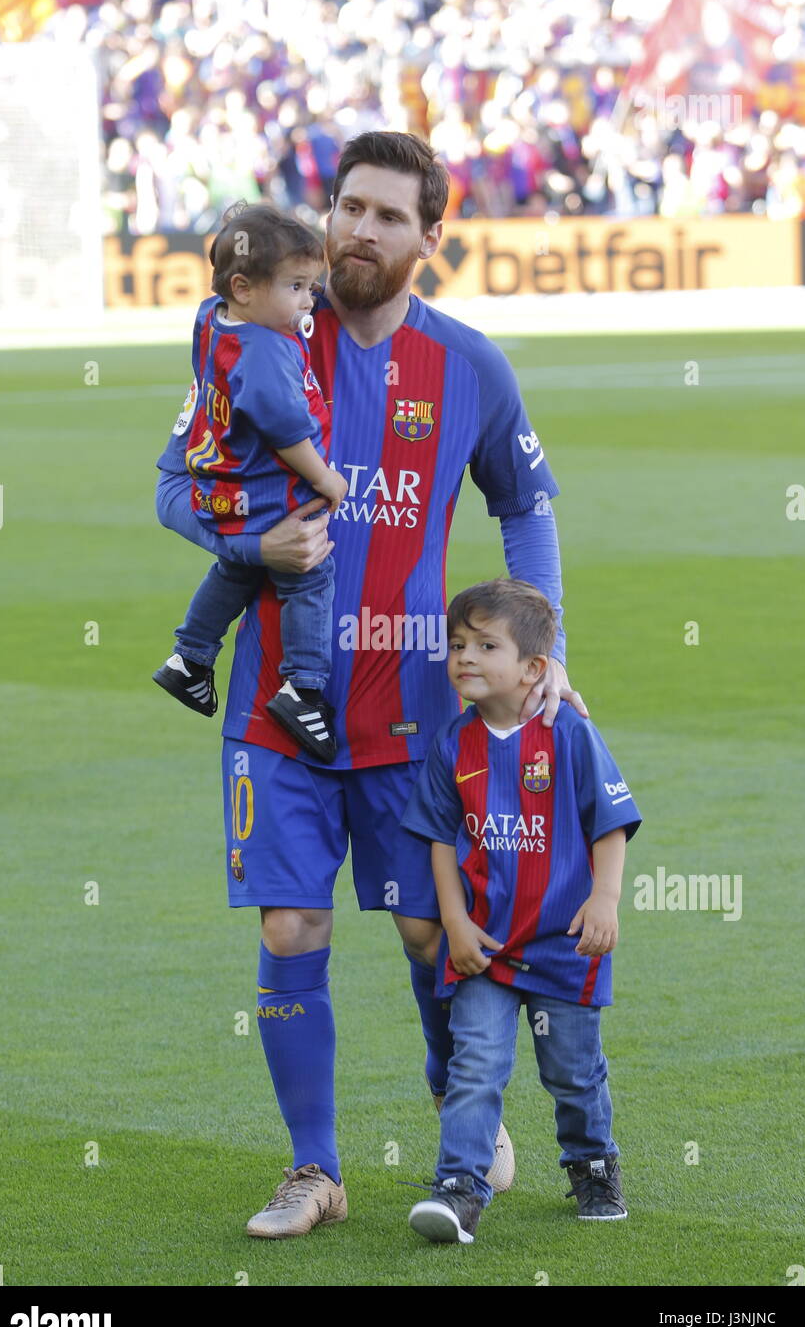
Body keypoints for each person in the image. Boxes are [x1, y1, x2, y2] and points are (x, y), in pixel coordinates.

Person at [155, 131, 589, 1238]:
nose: (360, 230)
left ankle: (461, 1108)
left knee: (427, 936)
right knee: (292, 928)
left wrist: (541, 648)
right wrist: (257, 549)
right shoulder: (258, 345)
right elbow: (174, 490)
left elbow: (525, 506)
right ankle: (314, 1169)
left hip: (420, 716)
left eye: (390, 216)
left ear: (429, 240)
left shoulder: (469, 367)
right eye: (350, 207)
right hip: (275, 706)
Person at [402, 580, 642, 1243]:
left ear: (536, 666)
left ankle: (592, 1162)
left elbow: (610, 823)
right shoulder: (453, 745)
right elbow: (440, 844)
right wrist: (453, 921)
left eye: (485, 645)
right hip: (487, 949)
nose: (465, 658)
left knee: (571, 1070)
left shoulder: (569, 733)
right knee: (473, 1065)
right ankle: (459, 1189)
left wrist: (605, 898)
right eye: (456, 645)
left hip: (565, 943)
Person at [153, 202, 348, 762]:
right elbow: (286, 430)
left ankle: (189, 656)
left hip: (221, 484)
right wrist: (327, 480)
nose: (310, 301)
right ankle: (304, 688)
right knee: (309, 574)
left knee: (236, 568)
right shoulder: (265, 351)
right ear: (243, 286)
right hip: (267, 492)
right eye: (297, 287)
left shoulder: (215, 316)